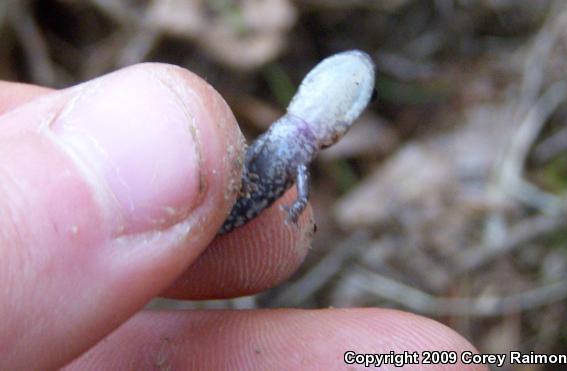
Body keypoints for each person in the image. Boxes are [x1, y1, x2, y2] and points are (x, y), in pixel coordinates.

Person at [0, 63, 483, 369]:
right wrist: (295, 205)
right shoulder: (298, 151)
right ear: (338, 129)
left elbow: (286, 175)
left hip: (226, 210)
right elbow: (298, 183)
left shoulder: (286, 134)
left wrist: (293, 203)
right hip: (221, 215)